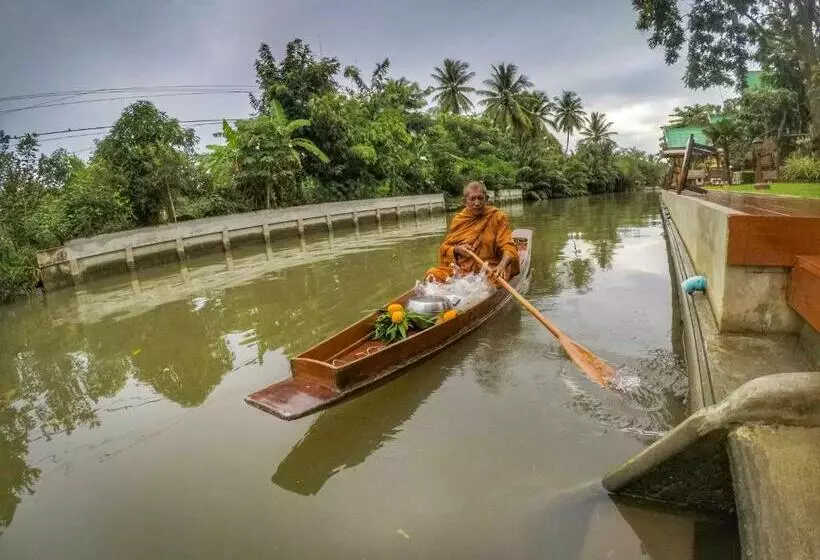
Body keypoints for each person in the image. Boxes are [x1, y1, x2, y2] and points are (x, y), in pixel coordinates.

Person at [424, 181, 520, 284]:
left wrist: (501, 266)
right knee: (432, 274)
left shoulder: (497, 217)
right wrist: (457, 249)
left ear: (486, 199)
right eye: (472, 199)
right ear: (464, 201)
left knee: (493, 281)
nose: (477, 203)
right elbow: (444, 248)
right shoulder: (459, 220)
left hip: (490, 269)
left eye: (480, 198)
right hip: (462, 270)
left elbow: (509, 246)